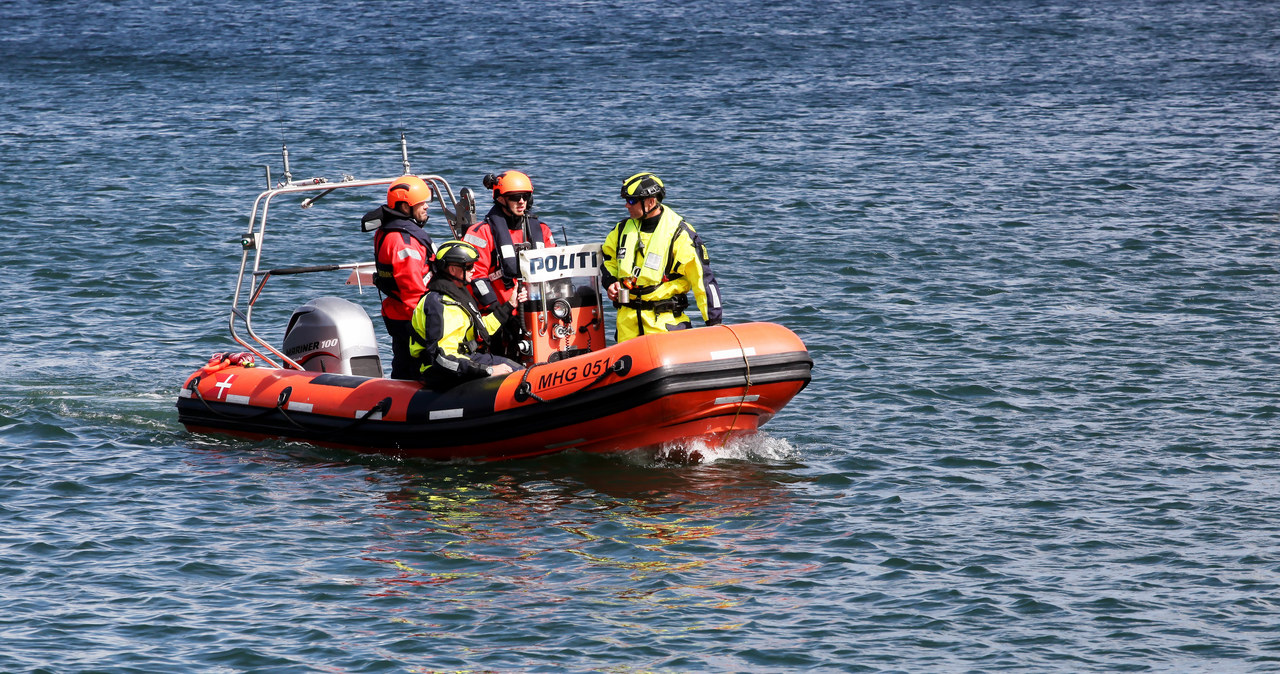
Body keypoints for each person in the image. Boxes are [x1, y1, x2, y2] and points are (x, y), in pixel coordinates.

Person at [601, 172, 723, 342]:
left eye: (631, 201)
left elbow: (703, 281)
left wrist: (714, 324)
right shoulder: (621, 230)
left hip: (665, 327)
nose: (626, 206)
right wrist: (611, 282)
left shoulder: (679, 234)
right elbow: (608, 260)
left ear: (651, 202)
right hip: (627, 329)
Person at [461, 170, 556, 360]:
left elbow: (554, 269)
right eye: (515, 197)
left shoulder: (542, 231)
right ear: (501, 199)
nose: (521, 202)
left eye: (526, 196)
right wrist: (500, 311)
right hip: (497, 315)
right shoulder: (481, 233)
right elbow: (475, 277)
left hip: (537, 311)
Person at [409, 240, 525, 389]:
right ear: (452, 270)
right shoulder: (439, 304)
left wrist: (510, 305)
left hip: (461, 361)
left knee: (515, 369)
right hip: (439, 372)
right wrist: (487, 370)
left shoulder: (456, 295)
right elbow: (441, 359)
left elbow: (483, 329)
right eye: (469, 266)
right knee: (514, 374)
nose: (474, 270)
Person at [368, 176, 437, 379]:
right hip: (411, 318)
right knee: (415, 370)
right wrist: (434, 322)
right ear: (406, 207)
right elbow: (412, 290)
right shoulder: (403, 242)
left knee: (403, 366)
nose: (426, 207)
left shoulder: (387, 232)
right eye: (421, 203)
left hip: (398, 313)